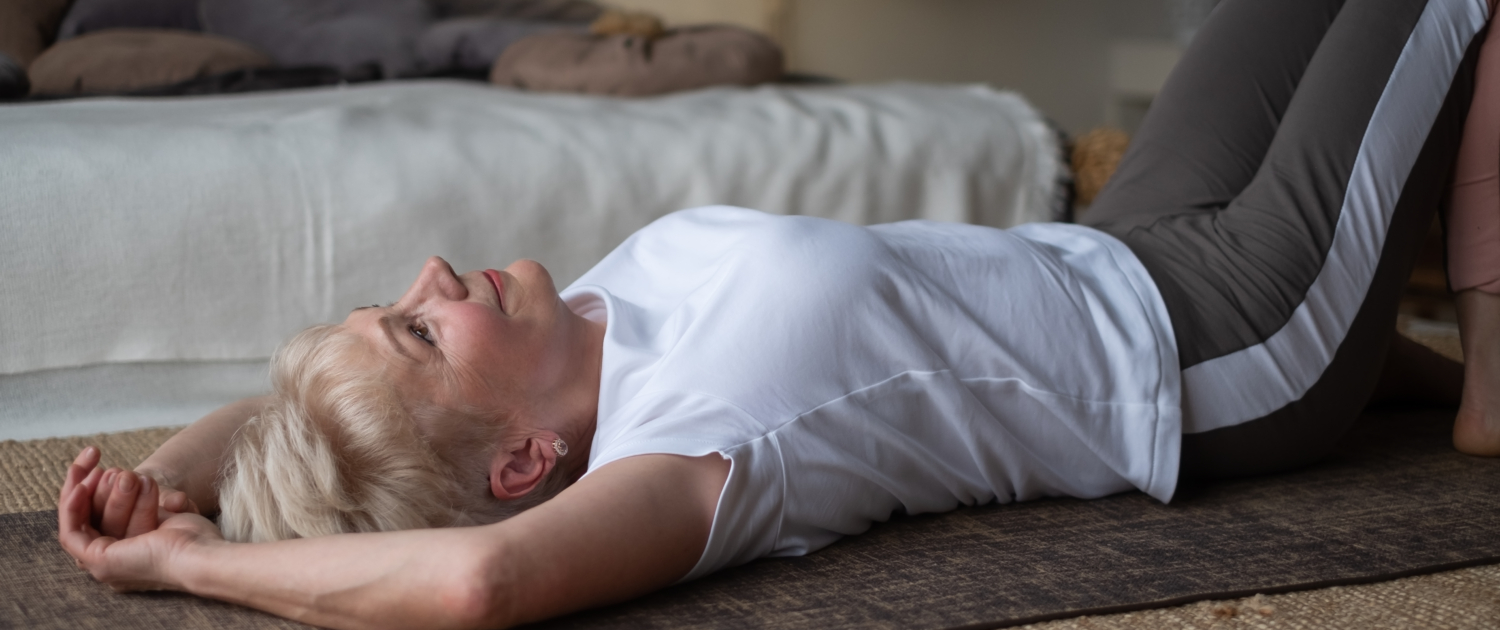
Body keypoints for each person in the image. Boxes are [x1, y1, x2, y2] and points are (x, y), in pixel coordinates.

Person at [55, 0, 1500, 627]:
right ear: (516, 470)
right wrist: (187, 576)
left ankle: (1414, 372)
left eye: (398, 304)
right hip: (1222, 345)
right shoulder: (687, 449)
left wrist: (168, 489)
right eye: (422, 333)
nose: (432, 277)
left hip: (1118, 247)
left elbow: (287, 418)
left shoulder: (589, 329)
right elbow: (471, 588)